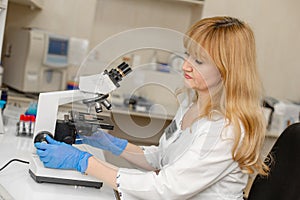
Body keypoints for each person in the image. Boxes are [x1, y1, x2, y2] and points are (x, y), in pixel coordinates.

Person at [35, 16, 269, 200]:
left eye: (198, 61)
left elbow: (166, 188)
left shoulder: (227, 129)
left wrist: (85, 163)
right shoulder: (191, 103)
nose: (186, 65)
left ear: (227, 69)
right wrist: (111, 143)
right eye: (188, 54)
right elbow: (161, 157)